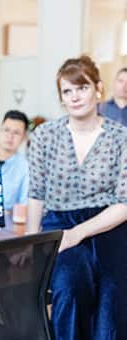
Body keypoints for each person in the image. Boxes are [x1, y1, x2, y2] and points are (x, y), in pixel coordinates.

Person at [27, 55, 127, 340]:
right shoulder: (44, 135)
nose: (74, 97)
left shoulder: (121, 137)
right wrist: (32, 244)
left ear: (98, 88)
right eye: (66, 91)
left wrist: (77, 233)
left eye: (81, 88)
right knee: (68, 293)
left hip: (109, 225)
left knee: (111, 309)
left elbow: (125, 203)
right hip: (58, 223)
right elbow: (36, 194)